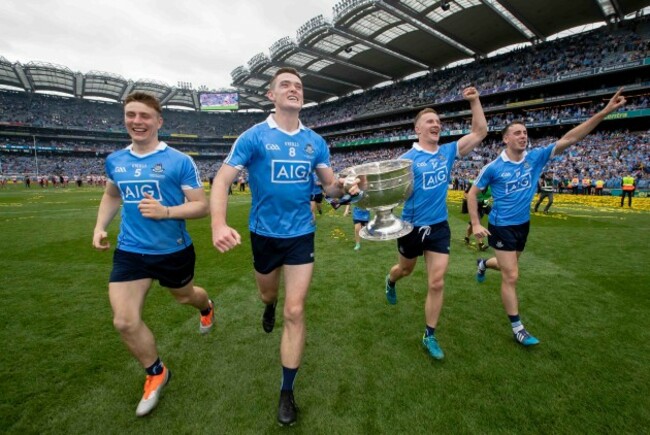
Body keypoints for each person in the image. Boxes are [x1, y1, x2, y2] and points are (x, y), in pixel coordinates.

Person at [210, 67, 358, 426]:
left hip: (300, 235)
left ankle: (287, 391)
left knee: (296, 311)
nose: (294, 90)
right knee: (268, 295)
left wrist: (347, 185)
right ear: (271, 96)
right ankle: (268, 305)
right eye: (286, 85)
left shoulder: (315, 142)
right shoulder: (254, 137)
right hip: (264, 235)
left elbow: (330, 189)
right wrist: (218, 223)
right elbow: (222, 179)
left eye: (298, 86)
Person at [468, 89, 626, 347]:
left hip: (522, 225)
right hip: (501, 225)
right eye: (517, 132)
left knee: (510, 266)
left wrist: (605, 112)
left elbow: (571, 138)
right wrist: (475, 223)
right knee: (512, 276)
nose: (523, 136)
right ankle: (518, 328)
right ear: (505, 139)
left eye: (525, 132)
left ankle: (484, 264)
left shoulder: (536, 158)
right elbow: (472, 194)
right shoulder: (494, 167)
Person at [92, 91, 214, 417]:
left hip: (172, 251)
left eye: (145, 116)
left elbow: (202, 206)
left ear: (158, 121)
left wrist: (166, 212)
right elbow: (111, 195)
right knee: (124, 320)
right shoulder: (115, 160)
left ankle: (206, 306)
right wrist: (99, 226)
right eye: (131, 115)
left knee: (186, 297)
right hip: (130, 251)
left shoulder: (179, 161)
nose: (137, 121)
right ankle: (156, 371)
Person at [383, 87, 487, 360]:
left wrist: (474, 101)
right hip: (411, 228)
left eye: (438, 122)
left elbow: (480, 132)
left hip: (439, 227)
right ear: (417, 129)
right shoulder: (405, 160)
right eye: (430, 121)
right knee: (405, 270)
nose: (436, 124)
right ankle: (390, 280)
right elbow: (389, 192)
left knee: (437, 282)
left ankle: (429, 334)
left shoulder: (448, 152)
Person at [463, 182, 491, 251]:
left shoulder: (492, 185)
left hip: (484, 206)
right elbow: (465, 194)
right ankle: (481, 244)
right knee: (477, 223)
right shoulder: (473, 184)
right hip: (474, 206)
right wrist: (476, 200)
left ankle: (467, 237)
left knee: (472, 224)